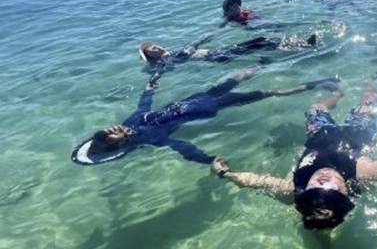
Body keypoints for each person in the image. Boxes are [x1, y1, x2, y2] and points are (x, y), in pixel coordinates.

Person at [211, 74, 377, 231]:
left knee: (315, 108)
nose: (323, 182)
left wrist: (225, 175)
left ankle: (337, 94)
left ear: (304, 196)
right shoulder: (366, 174)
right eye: (333, 189)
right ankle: (370, 83)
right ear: (348, 194)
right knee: (366, 107)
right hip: (356, 137)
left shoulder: (293, 191)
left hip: (321, 137)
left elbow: (257, 182)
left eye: (315, 189)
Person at [72, 66, 336, 166]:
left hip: (197, 98)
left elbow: (143, 107)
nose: (111, 129)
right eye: (110, 135)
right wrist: (208, 160)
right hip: (208, 108)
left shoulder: (131, 124)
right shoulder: (149, 138)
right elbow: (181, 147)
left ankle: (268, 61)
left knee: (244, 73)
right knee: (269, 92)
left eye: (106, 129)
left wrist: (149, 87)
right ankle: (317, 83)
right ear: (116, 143)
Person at [138, 33, 317, 85]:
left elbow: (194, 44)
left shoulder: (172, 51)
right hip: (220, 57)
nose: (155, 48)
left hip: (222, 51)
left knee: (261, 40)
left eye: (154, 45)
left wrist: (207, 37)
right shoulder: (165, 61)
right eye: (151, 50)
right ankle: (304, 46)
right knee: (261, 43)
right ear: (150, 56)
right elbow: (159, 73)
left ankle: (300, 43)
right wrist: (153, 81)